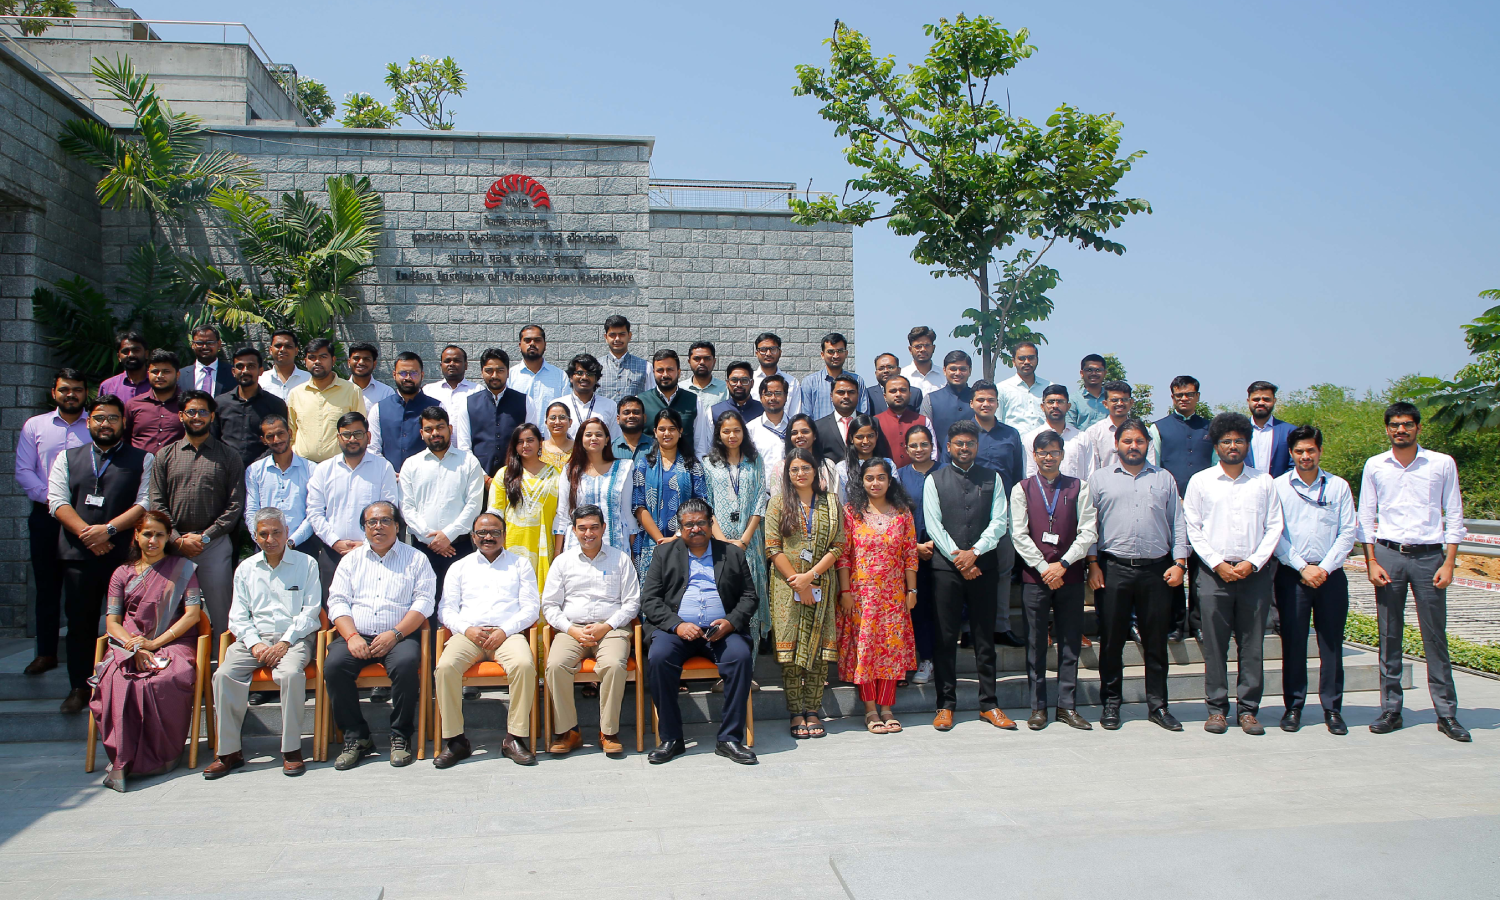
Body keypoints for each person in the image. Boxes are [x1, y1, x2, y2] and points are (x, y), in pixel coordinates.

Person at [1357, 401, 1470, 742]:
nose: (1400, 430)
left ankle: (1446, 713)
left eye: (1407, 424)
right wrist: (1371, 561)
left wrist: (1449, 562)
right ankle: (1391, 709)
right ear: (1387, 429)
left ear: (1418, 428)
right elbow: (1366, 517)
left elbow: (1454, 513)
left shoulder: (1440, 464)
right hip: (1389, 556)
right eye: (1394, 425)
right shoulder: (1375, 465)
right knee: (1389, 634)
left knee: (1434, 636)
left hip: (1429, 558)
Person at [48, 395, 151, 713]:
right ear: (89, 421)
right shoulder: (67, 458)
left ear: (124, 423)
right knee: (80, 623)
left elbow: (145, 503)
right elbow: (56, 501)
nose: (105, 424)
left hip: (122, 557)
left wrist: (107, 531)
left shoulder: (142, 459)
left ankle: (121, 681)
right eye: (99, 418)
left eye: (112, 418)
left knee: (125, 623)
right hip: (78, 556)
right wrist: (87, 534)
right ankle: (79, 687)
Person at [1086, 419, 1190, 731]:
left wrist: (1180, 563)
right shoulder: (1100, 479)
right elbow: (1089, 525)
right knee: (1112, 642)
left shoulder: (1164, 479)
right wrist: (1092, 564)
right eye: (1127, 441)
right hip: (1113, 568)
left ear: (1148, 444)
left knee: (1156, 642)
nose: (1134, 446)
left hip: (1157, 571)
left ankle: (1158, 706)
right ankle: (1111, 704)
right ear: (1116, 444)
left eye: (1139, 441)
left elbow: (1179, 522)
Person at [1184, 412, 1283, 736]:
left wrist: (1253, 562)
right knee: (1214, 646)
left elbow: (1274, 527)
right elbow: (1193, 529)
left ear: (1247, 443)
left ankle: (1249, 711)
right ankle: (1216, 709)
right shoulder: (1201, 481)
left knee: (1252, 645)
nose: (1233, 446)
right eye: (1226, 441)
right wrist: (1217, 563)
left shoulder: (1263, 482)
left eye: (1239, 440)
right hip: (1215, 575)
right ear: (1216, 445)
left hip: (1254, 575)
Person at [89, 510, 203, 792]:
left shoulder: (182, 568)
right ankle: (123, 760)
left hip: (172, 642)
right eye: (147, 534)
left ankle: (163, 757)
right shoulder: (122, 573)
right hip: (127, 643)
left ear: (168, 538)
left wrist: (154, 643)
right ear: (137, 536)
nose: (153, 540)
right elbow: (112, 621)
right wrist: (133, 644)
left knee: (163, 680)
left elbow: (192, 615)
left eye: (159, 535)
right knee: (118, 681)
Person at [641, 498, 759, 765]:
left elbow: (750, 597)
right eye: (689, 525)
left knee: (740, 658)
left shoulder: (732, 553)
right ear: (680, 528)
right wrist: (677, 625)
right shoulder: (664, 554)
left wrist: (730, 622)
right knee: (659, 658)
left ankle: (729, 739)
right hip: (676, 631)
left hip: (722, 631)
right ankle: (671, 738)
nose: (696, 529)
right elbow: (649, 599)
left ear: (711, 523)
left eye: (701, 523)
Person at [205, 507, 321, 779]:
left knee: (291, 674)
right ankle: (229, 752)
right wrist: (255, 644)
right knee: (223, 675)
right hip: (254, 640)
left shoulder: (306, 564)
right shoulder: (246, 568)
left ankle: (291, 749)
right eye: (264, 534)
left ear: (287, 533)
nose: (271, 539)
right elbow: (237, 616)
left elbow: (311, 611)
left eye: (276, 532)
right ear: (255, 536)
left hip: (293, 639)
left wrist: (284, 642)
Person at [324, 501, 437, 770]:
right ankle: (357, 737)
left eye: (385, 521)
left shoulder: (416, 559)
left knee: (406, 664)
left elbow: (424, 603)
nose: (378, 527)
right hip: (357, 634)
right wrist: (351, 636)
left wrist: (395, 634)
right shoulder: (350, 560)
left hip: (400, 635)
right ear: (363, 528)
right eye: (371, 522)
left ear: (397, 527)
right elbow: (337, 601)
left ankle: (400, 736)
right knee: (334, 665)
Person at [924, 420, 1015, 733]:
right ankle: (945, 705)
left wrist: (974, 553)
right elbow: (934, 525)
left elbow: (999, 521)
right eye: (959, 444)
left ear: (977, 446)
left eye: (970, 444)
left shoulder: (993, 478)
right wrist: (959, 558)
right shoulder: (934, 479)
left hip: (983, 567)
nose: (965, 448)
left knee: (983, 637)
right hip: (946, 570)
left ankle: (989, 704)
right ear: (948, 446)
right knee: (946, 638)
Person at [433, 511, 540, 768]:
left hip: (507, 634)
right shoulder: (459, 567)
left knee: (524, 666)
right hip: (469, 634)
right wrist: (466, 629)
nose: (488, 537)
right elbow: (446, 610)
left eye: (494, 532)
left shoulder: (520, 564)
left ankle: (514, 738)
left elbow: (530, 608)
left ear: (504, 535)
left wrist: (504, 630)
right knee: (445, 668)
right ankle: (456, 740)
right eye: (482, 533)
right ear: (472, 537)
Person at [1011, 430, 1098, 731]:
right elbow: (1018, 534)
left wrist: (1062, 564)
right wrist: (1043, 567)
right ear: (1034, 455)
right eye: (1042, 452)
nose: (1048, 457)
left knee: (1070, 642)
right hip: (1035, 578)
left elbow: (1088, 531)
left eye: (1054, 451)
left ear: (1063, 454)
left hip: (1070, 575)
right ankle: (1038, 708)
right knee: (1035, 643)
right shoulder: (1022, 488)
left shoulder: (1078, 487)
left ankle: (1067, 706)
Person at [1273, 425, 1357, 735]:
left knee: (1331, 644)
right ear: (1291, 454)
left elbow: (1348, 531)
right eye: (1299, 451)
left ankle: (1332, 709)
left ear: (1320, 451)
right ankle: (1293, 706)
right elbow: (1275, 532)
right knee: (1294, 643)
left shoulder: (1338, 487)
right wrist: (1301, 567)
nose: (1305, 456)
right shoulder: (1279, 486)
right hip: (1292, 575)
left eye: (1311, 450)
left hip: (1330, 576)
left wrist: (1325, 567)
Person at [542, 504, 642, 757]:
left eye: (594, 527)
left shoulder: (620, 558)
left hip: (612, 629)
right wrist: (570, 630)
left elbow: (632, 602)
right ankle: (569, 732)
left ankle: (608, 732)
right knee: (555, 666)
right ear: (573, 530)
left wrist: (606, 626)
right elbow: (550, 605)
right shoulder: (562, 562)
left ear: (603, 528)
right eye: (582, 528)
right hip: (572, 630)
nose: (589, 533)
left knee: (613, 664)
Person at [148, 390, 245, 643]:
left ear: (212, 416)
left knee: (222, 613)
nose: (197, 416)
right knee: (168, 612)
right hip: (173, 547)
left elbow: (235, 506)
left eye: (203, 411)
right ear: (181, 416)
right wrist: (177, 539)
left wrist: (205, 538)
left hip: (214, 544)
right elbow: (157, 503)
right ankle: (175, 668)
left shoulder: (229, 456)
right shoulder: (165, 455)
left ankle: (220, 669)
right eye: (191, 411)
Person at [764, 449, 844, 739]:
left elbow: (838, 545)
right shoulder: (777, 503)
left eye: (806, 468)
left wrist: (812, 577)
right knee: (791, 651)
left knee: (820, 650)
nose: (800, 474)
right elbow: (772, 547)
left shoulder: (831, 503)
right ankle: (796, 711)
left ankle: (813, 710)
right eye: (795, 469)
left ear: (816, 471)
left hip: (822, 582)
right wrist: (798, 582)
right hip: (787, 586)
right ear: (787, 474)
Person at [15, 368, 89, 676]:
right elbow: (23, 470)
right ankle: (45, 653)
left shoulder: (95, 426)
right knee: (46, 587)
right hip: (46, 517)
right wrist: (55, 502)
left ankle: (81, 658)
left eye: (77, 389)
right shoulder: (35, 426)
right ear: (54, 392)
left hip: (86, 520)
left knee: (81, 590)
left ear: (86, 393)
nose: (70, 394)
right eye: (64, 389)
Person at [837, 458, 918, 735]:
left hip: (894, 595)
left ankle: (887, 708)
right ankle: (871, 710)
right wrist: (845, 592)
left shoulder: (902, 513)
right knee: (867, 651)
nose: (875, 483)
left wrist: (912, 590)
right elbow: (844, 557)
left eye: (881, 477)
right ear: (862, 481)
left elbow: (910, 555)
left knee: (891, 651)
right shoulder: (851, 513)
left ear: (889, 480)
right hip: (862, 596)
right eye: (869, 478)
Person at [1149, 376, 1214, 642]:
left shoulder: (1211, 428)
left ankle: (1198, 622)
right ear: (1172, 397)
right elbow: (1155, 467)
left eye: (1188, 394)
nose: (1183, 399)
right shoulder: (1158, 428)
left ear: (1197, 396)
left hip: (1205, 509)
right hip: (1170, 507)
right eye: (1178, 395)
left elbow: (1215, 467)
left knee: (1200, 566)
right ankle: (1175, 623)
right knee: (1173, 565)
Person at [305, 412, 401, 592]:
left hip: (373, 552)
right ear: (338, 437)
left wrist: (366, 543)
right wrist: (334, 541)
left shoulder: (383, 468)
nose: (352, 439)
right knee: (332, 607)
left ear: (368, 436)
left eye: (358, 434)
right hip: (332, 551)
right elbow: (314, 512)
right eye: (346, 434)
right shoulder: (324, 470)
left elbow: (389, 511)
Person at [400, 406, 485, 598]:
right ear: (422, 433)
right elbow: (407, 507)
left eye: (440, 427)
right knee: (424, 603)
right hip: (422, 548)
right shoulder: (411, 464)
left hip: (459, 547)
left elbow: (474, 505)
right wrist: (432, 540)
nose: (435, 433)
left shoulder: (469, 462)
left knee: (460, 602)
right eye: (429, 429)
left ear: (450, 429)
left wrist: (448, 535)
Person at [701, 410, 769, 645]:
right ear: (719, 434)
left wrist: (743, 541)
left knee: (751, 603)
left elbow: (760, 500)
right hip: (719, 545)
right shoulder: (708, 463)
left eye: (737, 430)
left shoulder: (755, 460)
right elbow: (706, 505)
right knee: (724, 602)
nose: (732, 435)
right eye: (726, 431)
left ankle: (749, 673)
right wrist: (723, 541)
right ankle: (727, 673)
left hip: (749, 543)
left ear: (744, 432)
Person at [631, 408, 707, 578]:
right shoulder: (644, 465)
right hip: (650, 543)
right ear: (655, 432)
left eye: (672, 429)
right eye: (662, 429)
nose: (667, 433)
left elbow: (701, 504)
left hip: (686, 540)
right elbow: (638, 505)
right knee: (651, 597)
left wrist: (677, 536)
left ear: (680, 431)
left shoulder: (692, 466)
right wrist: (660, 540)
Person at [487, 423, 565, 589]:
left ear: (540, 442)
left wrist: (558, 550)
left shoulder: (556, 474)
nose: (525, 445)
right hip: (512, 543)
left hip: (544, 544)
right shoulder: (505, 474)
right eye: (520, 441)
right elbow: (495, 513)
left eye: (530, 440)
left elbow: (561, 514)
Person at [895, 425, 939, 686]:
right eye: (913, 445)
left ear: (931, 446)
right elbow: (896, 515)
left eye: (924, 444)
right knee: (916, 608)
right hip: (909, 552)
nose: (919, 450)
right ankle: (922, 658)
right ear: (906, 449)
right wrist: (914, 547)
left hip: (942, 551)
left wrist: (935, 544)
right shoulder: (899, 477)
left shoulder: (945, 472)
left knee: (939, 608)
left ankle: (937, 658)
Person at [558, 418, 636, 553]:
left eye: (599, 435)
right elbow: (563, 514)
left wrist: (634, 550)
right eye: (588, 435)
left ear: (606, 440)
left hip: (615, 545)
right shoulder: (569, 471)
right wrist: (557, 552)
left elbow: (627, 512)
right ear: (581, 440)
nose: (594, 438)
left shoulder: (624, 468)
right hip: (577, 547)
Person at [244, 416, 316, 558]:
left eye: (280, 433)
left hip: (302, 545)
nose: (276, 440)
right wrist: (263, 540)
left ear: (290, 433)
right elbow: (251, 511)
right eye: (270, 436)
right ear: (263, 440)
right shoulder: (254, 470)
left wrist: (291, 542)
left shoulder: (311, 469)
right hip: (265, 547)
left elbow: (314, 512)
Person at [287, 338, 366, 464]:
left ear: (333, 360)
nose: (317, 361)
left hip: (339, 466)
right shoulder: (296, 394)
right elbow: (291, 433)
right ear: (305, 361)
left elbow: (361, 431)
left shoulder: (352, 391)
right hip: (303, 466)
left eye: (323, 357)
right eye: (312, 357)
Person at [452, 347, 528, 477]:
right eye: (489, 371)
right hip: (478, 479)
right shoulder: (468, 403)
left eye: (500, 370)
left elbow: (530, 442)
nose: (494, 376)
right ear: (482, 372)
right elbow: (464, 447)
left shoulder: (526, 402)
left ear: (508, 372)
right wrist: (484, 478)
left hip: (516, 477)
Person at [212, 346, 288, 470]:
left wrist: (257, 465)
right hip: (226, 470)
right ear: (233, 371)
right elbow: (213, 439)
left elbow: (280, 439)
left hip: (264, 471)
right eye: (240, 366)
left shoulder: (275, 404)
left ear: (261, 371)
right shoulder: (220, 403)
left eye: (251, 366)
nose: (245, 371)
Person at [368, 351, 440, 472]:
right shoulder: (378, 409)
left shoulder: (437, 407)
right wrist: (388, 473)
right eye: (402, 373)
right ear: (394, 375)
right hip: (389, 480)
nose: (408, 378)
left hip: (426, 478)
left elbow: (442, 446)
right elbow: (373, 449)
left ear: (422, 375)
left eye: (413, 373)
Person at [792, 331, 869, 421]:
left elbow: (864, 415)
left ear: (846, 353)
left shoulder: (857, 380)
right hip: (821, 434)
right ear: (822, 355)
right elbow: (806, 417)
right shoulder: (810, 382)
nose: (836, 356)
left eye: (840, 351)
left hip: (851, 433)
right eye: (831, 352)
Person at [695, 361, 763, 458]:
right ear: (727, 383)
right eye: (734, 380)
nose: (739, 384)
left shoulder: (762, 411)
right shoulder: (714, 412)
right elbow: (707, 447)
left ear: (752, 383)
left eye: (744, 380)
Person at [123, 349, 184, 454]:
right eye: (155, 371)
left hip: (176, 467)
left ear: (177, 375)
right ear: (148, 374)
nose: (160, 376)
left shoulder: (187, 405)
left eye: (166, 371)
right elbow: (124, 439)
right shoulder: (133, 404)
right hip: (140, 468)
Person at [640, 349, 701, 452]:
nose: (665, 375)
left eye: (670, 370)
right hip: (651, 464)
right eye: (660, 370)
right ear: (653, 372)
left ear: (679, 372)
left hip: (686, 464)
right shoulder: (641, 401)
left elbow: (700, 443)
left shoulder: (694, 400)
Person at [1021, 386, 1087, 479]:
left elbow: (1090, 473)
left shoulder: (1082, 438)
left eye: (1060, 402)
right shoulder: (1030, 438)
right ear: (1042, 407)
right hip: (1041, 493)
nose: (1055, 406)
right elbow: (1029, 474)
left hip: (1077, 492)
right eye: (1050, 402)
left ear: (1068, 406)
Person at [1081, 381, 1140, 477]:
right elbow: (1092, 469)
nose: (1120, 403)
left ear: (1131, 402)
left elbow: (1150, 464)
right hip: (1105, 487)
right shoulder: (1094, 433)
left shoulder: (1143, 432)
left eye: (1124, 399)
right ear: (1105, 403)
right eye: (1114, 400)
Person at [874, 374, 934, 470]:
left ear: (910, 394)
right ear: (885, 396)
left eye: (903, 390)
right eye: (893, 391)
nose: (898, 394)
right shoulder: (875, 421)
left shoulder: (923, 420)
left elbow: (933, 453)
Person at [554, 353, 619, 440]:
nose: (584, 377)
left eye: (590, 374)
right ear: (571, 377)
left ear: (596, 379)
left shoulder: (610, 406)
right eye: (579, 373)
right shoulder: (558, 406)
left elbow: (615, 440)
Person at [833, 414, 894, 504]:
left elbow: (895, 495)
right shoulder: (842, 468)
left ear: (876, 436)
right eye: (860, 437)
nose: (866, 441)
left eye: (870, 436)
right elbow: (840, 502)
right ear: (851, 438)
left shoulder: (888, 464)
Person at [509, 325, 569, 417]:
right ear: (520, 345)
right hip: (519, 431)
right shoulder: (510, 376)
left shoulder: (560, 376)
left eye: (537, 340)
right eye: (527, 340)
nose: (532, 344)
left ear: (545, 345)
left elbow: (567, 409)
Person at [920, 350, 976, 445]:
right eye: (953, 369)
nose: (958, 373)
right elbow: (924, 434)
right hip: (941, 458)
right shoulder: (931, 399)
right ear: (944, 371)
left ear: (970, 371)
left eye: (963, 369)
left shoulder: (978, 400)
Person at [996, 341, 1049, 433]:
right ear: (1013, 362)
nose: (1027, 362)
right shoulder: (1001, 389)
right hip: (1014, 444)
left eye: (1031, 358)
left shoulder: (1049, 387)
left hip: (1044, 444)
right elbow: (997, 421)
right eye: (1022, 358)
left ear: (1037, 360)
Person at [1246, 380, 1295, 478]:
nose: (1261, 403)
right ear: (1248, 401)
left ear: (1274, 401)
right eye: (1256, 399)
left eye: (1266, 399)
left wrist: (1279, 485)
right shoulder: (1237, 431)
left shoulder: (1289, 431)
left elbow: (1294, 464)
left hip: (1279, 490)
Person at [814, 374, 865, 463]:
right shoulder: (819, 427)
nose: (846, 396)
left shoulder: (870, 423)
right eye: (840, 392)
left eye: (851, 392)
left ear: (858, 395)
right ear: (831, 396)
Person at [747, 374, 791, 477]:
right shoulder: (750, 429)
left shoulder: (795, 427)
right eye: (768, 394)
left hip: (791, 490)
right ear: (761, 398)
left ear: (786, 396)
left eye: (778, 393)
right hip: (762, 491)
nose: (773, 398)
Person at [598, 314, 649, 402]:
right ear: (606, 337)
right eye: (612, 335)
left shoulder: (646, 367)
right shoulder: (596, 367)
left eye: (622, 334)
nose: (617, 339)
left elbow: (650, 399)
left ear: (629, 336)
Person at [751, 331, 799, 413]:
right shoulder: (749, 380)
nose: (768, 354)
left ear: (780, 352)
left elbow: (795, 414)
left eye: (773, 349)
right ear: (757, 353)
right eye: (763, 350)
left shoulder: (792, 382)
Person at [424, 345, 481, 411]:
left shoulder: (477, 390)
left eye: (456, 361)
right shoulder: (428, 391)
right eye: (447, 361)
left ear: (465, 365)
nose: (451, 364)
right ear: (441, 365)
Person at [98, 331, 152, 401]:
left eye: (136, 350)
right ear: (119, 357)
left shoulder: (159, 383)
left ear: (146, 354)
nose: (131, 354)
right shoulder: (108, 386)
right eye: (125, 351)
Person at [257, 330, 311, 400]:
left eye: (288, 346)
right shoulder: (261, 380)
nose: (282, 349)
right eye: (278, 346)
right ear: (270, 350)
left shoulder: (308, 379)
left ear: (296, 351)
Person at [185, 324, 236, 396]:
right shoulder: (181, 375)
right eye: (199, 343)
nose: (205, 347)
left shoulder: (233, 374)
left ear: (219, 344)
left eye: (210, 343)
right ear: (193, 345)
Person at [1067, 354, 1110, 432]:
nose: (1094, 373)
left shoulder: (1111, 399)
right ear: (1082, 373)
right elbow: (1070, 429)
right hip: (1082, 443)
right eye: (1089, 370)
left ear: (1105, 373)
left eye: (1098, 370)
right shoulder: (1073, 400)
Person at [347, 341, 396, 409]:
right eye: (356, 358)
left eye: (366, 359)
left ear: (374, 364)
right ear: (349, 362)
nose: (361, 362)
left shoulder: (386, 393)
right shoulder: (339, 391)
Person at [901, 326, 946, 398]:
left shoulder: (944, 376)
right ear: (910, 349)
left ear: (933, 348)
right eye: (918, 346)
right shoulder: (902, 375)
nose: (923, 349)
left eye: (927, 345)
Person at [611, 394, 655, 464]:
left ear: (644, 418)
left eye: (636, 412)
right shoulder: (609, 449)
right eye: (626, 413)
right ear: (618, 419)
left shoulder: (656, 447)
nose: (631, 416)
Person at [683, 340, 728, 407]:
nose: (702, 362)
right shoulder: (680, 389)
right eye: (697, 358)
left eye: (707, 358)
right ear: (689, 361)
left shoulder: (725, 389)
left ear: (714, 361)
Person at [539, 401, 575, 470]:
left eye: (562, 417)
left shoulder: (579, 448)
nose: (557, 422)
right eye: (553, 418)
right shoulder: (538, 449)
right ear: (546, 423)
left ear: (570, 422)